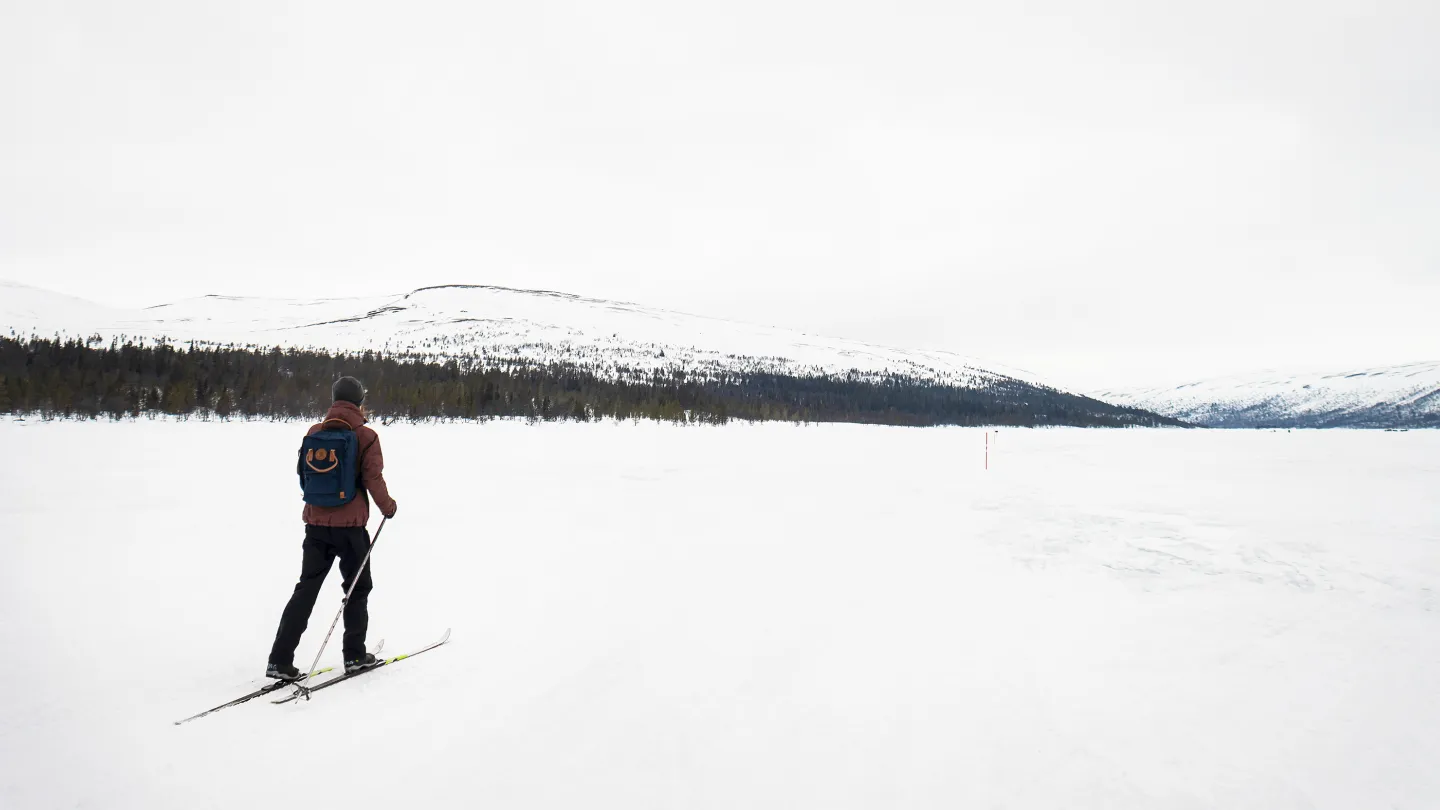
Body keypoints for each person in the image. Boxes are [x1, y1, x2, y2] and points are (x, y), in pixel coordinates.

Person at [267, 376, 399, 680]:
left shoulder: (314, 432)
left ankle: (279, 660)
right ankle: (354, 657)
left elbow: (304, 476)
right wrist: (388, 506)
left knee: (306, 589)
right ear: (359, 401)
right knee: (357, 589)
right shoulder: (366, 436)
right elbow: (372, 479)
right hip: (351, 529)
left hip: (314, 526)